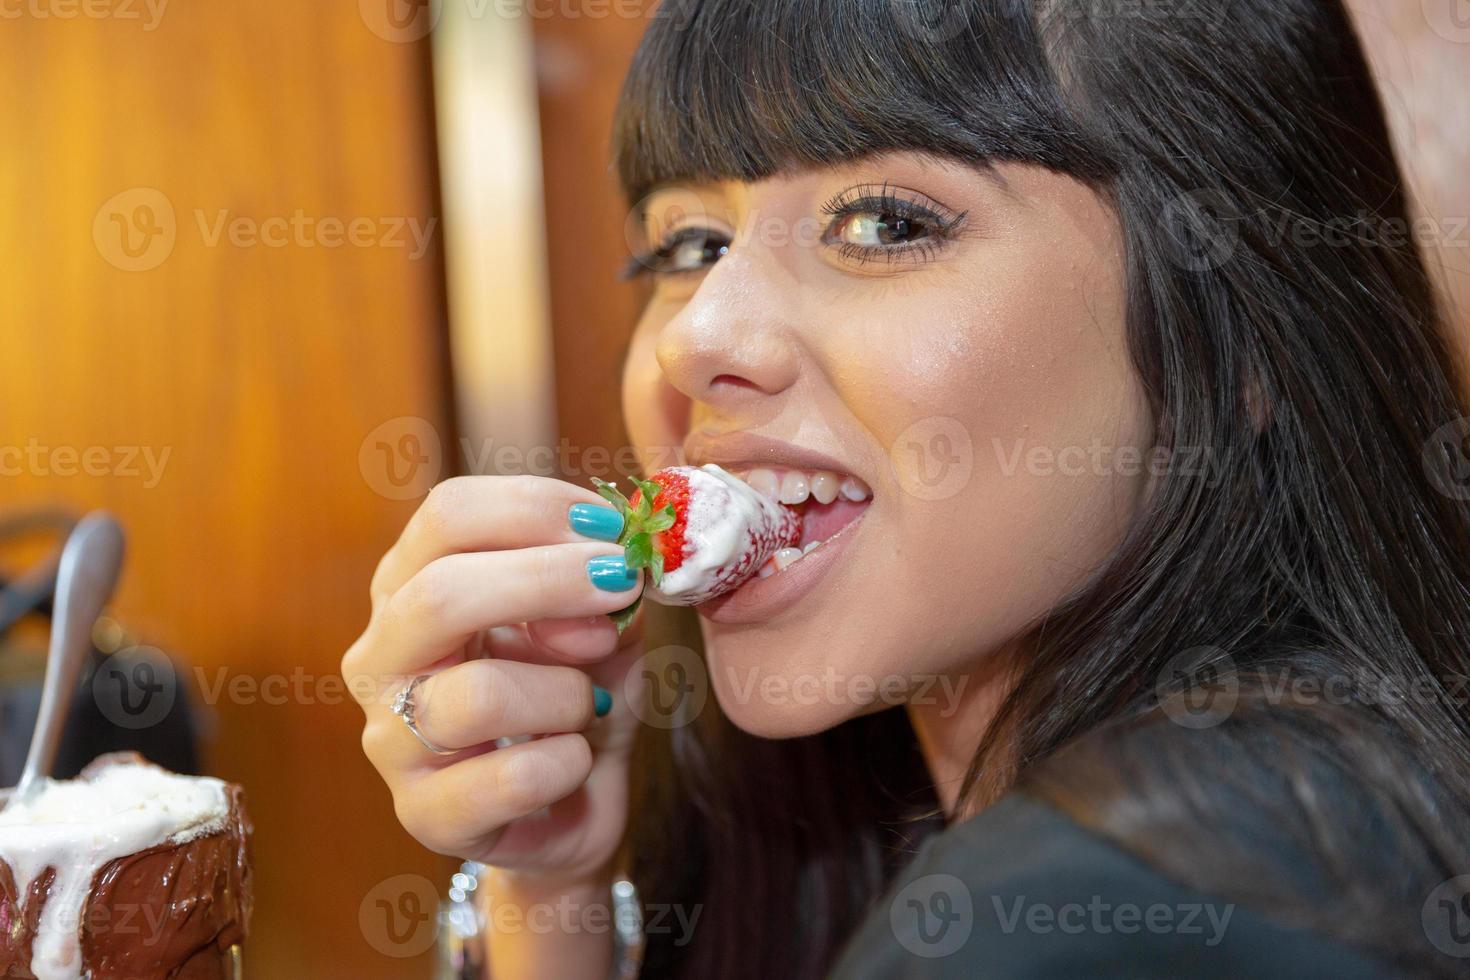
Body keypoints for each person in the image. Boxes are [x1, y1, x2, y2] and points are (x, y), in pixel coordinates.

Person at [343, 1, 1470, 976]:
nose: (699, 337)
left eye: (885, 223)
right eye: (686, 244)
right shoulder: (910, 842)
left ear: (1241, 343)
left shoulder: (1104, 912)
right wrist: (553, 893)